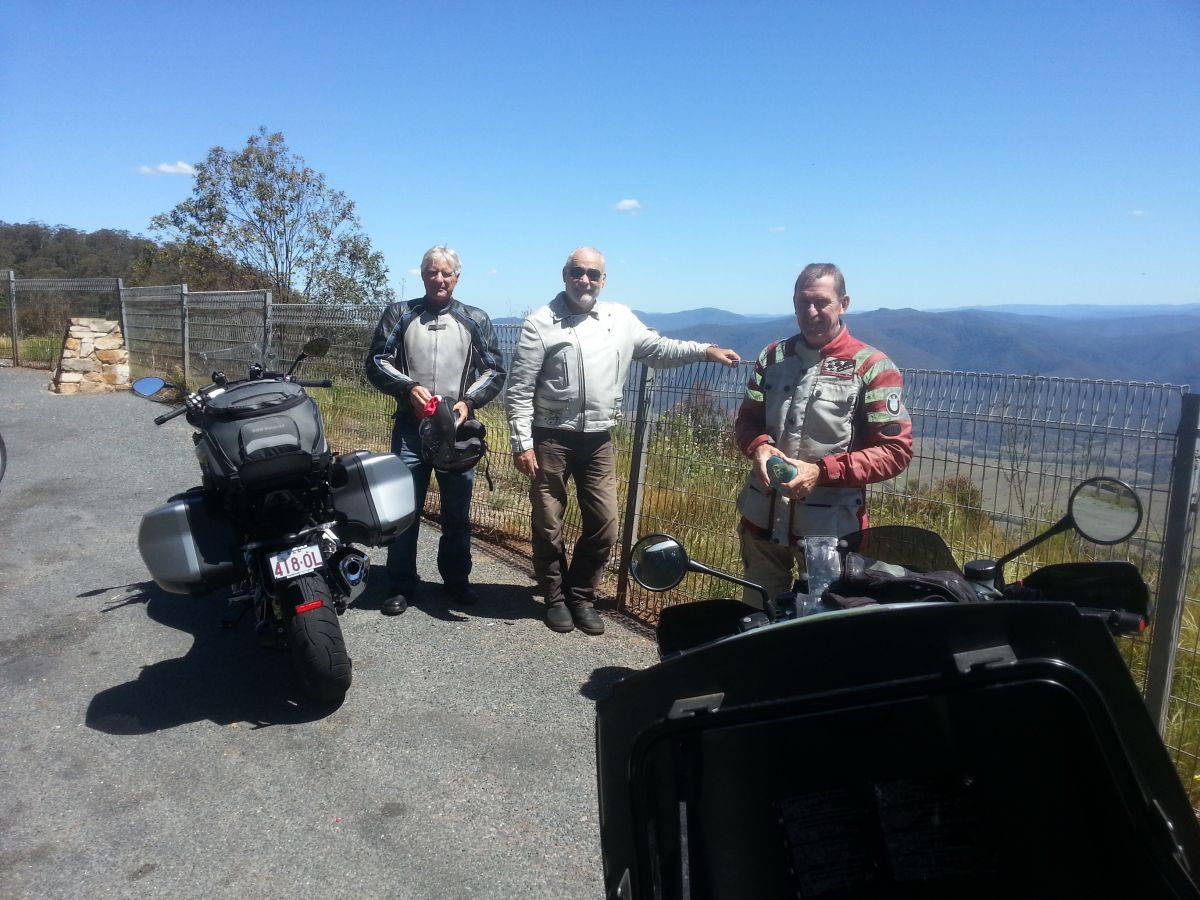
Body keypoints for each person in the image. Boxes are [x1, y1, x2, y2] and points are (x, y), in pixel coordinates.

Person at [506, 247, 740, 635]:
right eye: (577, 272)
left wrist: (705, 350)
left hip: (599, 439)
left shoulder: (620, 319)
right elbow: (519, 389)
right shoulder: (540, 323)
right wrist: (521, 442)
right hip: (550, 438)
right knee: (548, 523)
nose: (585, 280)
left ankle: (581, 595)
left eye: (593, 274)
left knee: (606, 525)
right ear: (564, 274)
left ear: (603, 280)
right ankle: (555, 598)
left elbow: (660, 349)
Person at [733, 263, 913, 606]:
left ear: (843, 303)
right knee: (757, 617)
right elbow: (746, 421)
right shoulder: (772, 357)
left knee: (820, 626)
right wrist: (758, 447)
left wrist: (822, 471)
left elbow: (895, 452)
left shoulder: (872, 367)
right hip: (762, 521)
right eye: (803, 303)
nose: (811, 312)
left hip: (830, 533)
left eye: (822, 302)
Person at [365, 245, 506, 615]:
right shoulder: (400, 313)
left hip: (457, 431)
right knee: (404, 509)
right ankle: (400, 585)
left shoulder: (475, 318)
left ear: (457, 278)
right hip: (412, 428)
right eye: (432, 272)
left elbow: (494, 369)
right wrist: (407, 388)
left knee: (456, 512)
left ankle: (456, 582)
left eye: (446, 273)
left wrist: (468, 403)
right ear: (422, 274)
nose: (439, 279)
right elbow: (376, 361)